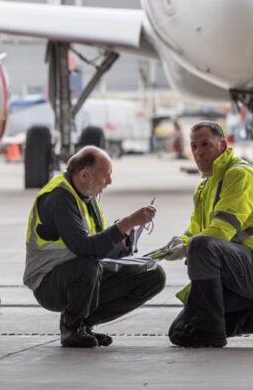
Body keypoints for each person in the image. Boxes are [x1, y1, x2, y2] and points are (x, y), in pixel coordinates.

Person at [162, 121, 253, 348]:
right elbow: (195, 231)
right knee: (179, 333)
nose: (198, 152)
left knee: (202, 247)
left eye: (205, 144)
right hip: (239, 272)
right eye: (193, 146)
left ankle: (211, 333)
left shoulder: (239, 174)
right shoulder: (207, 184)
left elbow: (221, 231)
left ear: (222, 146)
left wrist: (189, 247)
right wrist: (179, 243)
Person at [23, 146, 165, 348]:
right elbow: (85, 248)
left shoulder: (87, 196)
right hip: (49, 282)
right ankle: (71, 327)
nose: (109, 182)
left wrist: (124, 240)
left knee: (152, 274)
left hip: (81, 273)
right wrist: (126, 223)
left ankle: (84, 324)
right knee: (87, 267)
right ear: (83, 176)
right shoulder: (59, 198)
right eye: (105, 176)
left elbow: (99, 248)